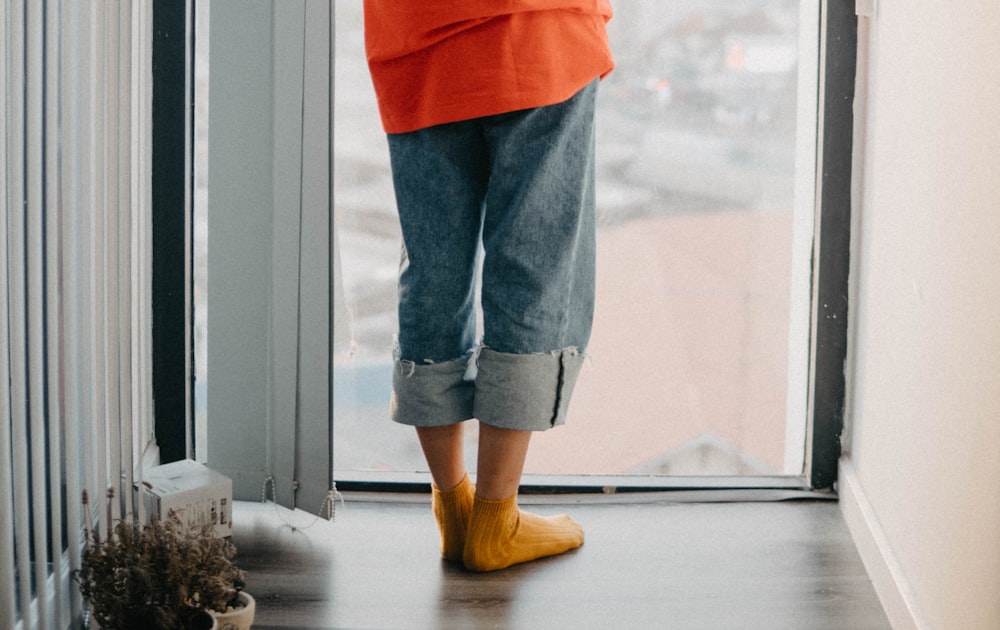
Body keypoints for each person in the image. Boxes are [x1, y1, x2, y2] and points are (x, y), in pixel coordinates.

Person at [363, 0, 614, 572]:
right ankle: (496, 519)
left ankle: (453, 505)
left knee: (432, 269)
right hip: (538, 28)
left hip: (414, 37)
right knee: (533, 264)